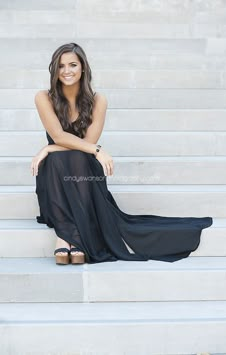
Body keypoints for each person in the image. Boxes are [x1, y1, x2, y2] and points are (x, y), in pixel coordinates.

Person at [31, 42, 213, 265]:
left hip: (83, 175)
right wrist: (71, 148)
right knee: (58, 159)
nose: (67, 71)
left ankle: (72, 236)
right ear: (54, 70)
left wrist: (50, 147)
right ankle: (65, 234)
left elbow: (88, 143)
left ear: (83, 68)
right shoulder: (44, 97)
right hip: (56, 179)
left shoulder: (98, 100)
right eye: (61, 66)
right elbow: (61, 137)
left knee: (75, 155)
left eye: (72, 65)